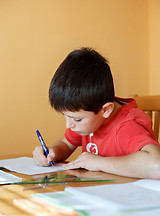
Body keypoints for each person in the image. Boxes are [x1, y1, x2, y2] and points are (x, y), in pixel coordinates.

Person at [33, 47, 160, 179]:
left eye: (76, 120)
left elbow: (157, 165)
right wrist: (52, 152)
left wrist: (98, 163)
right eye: (65, 116)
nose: (68, 125)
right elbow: (66, 144)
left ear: (106, 110)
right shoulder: (90, 116)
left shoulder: (127, 125)